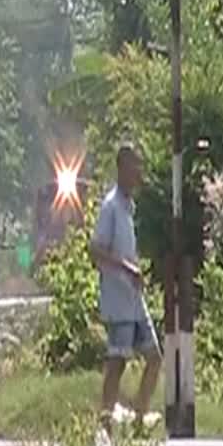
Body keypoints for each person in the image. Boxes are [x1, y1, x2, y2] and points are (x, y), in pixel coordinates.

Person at [89, 143, 161, 421]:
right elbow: (97, 250)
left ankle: (139, 415)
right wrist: (127, 268)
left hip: (133, 298)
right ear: (121, 169)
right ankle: (105, 418)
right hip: (118, 299)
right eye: (134, 167)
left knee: (154, 356)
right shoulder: (110, 207)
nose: (138, 173)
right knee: (117, 361)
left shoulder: (129, 207)